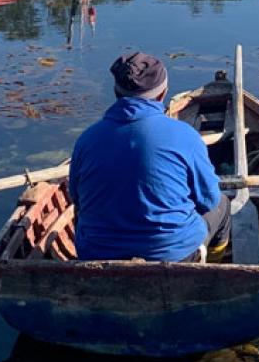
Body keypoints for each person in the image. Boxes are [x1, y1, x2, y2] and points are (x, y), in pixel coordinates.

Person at [69, 52, 226, 261]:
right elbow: (209, 200)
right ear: (163, 94)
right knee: (222, 204)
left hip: (97, 254)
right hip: (173, 255)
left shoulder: (87, 140)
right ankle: (215, 269)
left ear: (116, 92)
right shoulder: (185, 136)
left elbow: (76, 199)